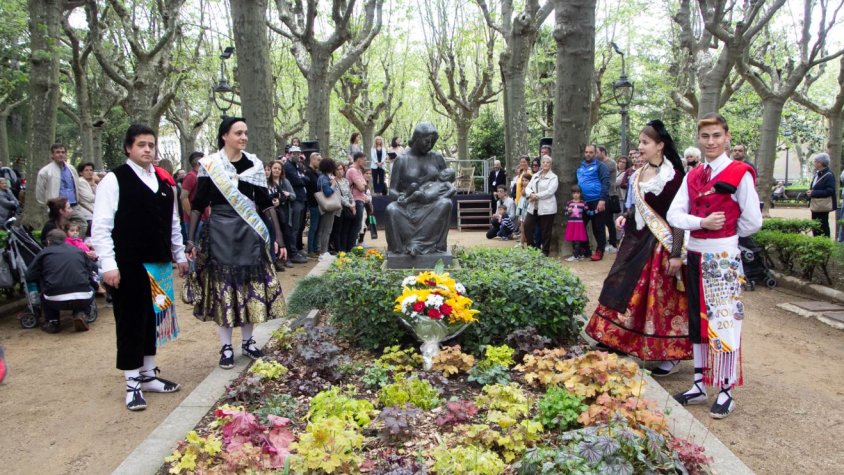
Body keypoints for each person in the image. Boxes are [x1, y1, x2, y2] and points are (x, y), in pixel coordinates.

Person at [667, 113, 762, 419]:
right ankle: (698, 383)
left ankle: (725, 389)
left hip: (721, 257)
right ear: (699, 138)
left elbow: (752, 222)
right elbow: (674, 215)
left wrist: (725, 235)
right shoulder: (693, 175)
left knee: (724, 321)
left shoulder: (740, 172)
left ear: (727, 137)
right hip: (694, 253)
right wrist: (702, 223)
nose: (711, 142)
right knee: (697, 318)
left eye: (716, 136)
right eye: (705, 136)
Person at [91, 124, 189, 411]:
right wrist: (108, 265)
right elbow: (101, 227)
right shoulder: (114, 180)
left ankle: (148, 374)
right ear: (128, 148)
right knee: (131, 321)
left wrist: (180, 255)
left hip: (158, 262)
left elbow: (173, 224)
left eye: (151, 144)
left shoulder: (164, 183)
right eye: (141, 144)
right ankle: (132, 381)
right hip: (127, 264)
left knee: (152, 320)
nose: (148, 149)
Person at [586, 120, 692, 376]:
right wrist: (627, 215)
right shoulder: (639, 173)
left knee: (658, 298)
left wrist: (676, 254)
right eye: (640, 142)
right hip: (635, 240)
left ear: (660, 146)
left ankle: (670, 353)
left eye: (645, 142)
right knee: (620, 286)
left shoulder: (674, 177)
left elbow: (677, 218)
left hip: (660, 245)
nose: (640, 146)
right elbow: (638, 207)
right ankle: (617, 338)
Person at [188, 117, 286, 372]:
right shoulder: (210, 165)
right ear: (224, 136)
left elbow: (265, 204)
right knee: (223, 290)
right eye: (238, 133)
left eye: (245, 132)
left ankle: (247, 342)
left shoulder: (253, 164)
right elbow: (198, 205)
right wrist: (190, 239)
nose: (243, 137)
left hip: (248, 233)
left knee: (249, 288)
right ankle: (226, 347)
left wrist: (279, 238)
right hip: (219, 232)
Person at [385, 123, 457, 256]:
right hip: (407, 204)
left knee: (445, 203)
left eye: (432, 143)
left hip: (431, 204)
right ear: (417, 138)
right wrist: (400, 197)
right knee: (391, 209)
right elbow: (392, 191)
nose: (429, 145)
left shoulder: (437, 158)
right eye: (427, 141)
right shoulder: (401, 160)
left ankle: (422, 245)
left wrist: (437, 196)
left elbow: (448, 182)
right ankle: (404, 248)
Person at [27, 229, 96, 334]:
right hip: (83, 296)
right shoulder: (78, 251)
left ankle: (53, 322)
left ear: (48, 241)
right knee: (89, 288)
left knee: (45, 291)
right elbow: (90, 271)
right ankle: (81, 313)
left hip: (54, 299)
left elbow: (29, 276)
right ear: (65, 240)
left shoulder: (43, 253)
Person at [35, 143, 87, 235]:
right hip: (58, 207)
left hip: (73, 205)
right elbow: (40, 192)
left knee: (82, 224)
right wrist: (50, 205)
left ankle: (76, 245)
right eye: (57, 152)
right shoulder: (45, 172)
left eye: (63, 152)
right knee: (59, 228)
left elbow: (76, 186)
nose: (61, 154)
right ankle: (62, 246)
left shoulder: (71, 169)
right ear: (52, 155)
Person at [577, 144, 611, 261]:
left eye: (591, 152)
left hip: (597, 201)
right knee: (580, 225)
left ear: (595, 153)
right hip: (583, 202)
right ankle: (585, 249)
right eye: (586, 152)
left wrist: (602, 200)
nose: (588, 154)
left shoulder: (601, 166)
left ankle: (600, 251)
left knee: (598, 228)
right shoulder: (580, 166)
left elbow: (606, 183)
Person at [523, 155, 559, 256]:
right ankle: (532, 249)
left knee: (545, 231)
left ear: (550, 164)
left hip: (547, 208)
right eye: (543, 162)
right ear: (541, 164)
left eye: (547, 162)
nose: (545, 164)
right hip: (533, 207)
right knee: (527, 226)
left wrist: (536, 196)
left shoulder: (553, 177)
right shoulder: (536, 175)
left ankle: (545, 252)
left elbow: (550, 191)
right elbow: (527, 187)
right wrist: (531, 194)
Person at [267, 160, 296, 268]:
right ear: (271, 169)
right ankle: (276, 259)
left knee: (286, 234)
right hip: (271, 213)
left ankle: (286, 258)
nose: (277, 170)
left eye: (279, 169)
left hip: (285, 212)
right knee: (274, 234)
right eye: (275, 168)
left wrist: (287, 196)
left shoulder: (285, 182)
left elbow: (294, 196)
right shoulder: (266, 182)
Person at [283, 146, 309, 261]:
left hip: (302, 199)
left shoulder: (298, 166)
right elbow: (298, 181)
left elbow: (306, 179)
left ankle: (296, 250)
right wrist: (303, 179)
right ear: (289, 154)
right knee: (293, 228)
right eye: (294, 153)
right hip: (295, 200)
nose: (296, 155)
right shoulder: (288, 166)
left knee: (299, 227)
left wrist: (303, 178)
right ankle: (292, 254)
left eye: (298, 153)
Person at [806, 153, 837, 238]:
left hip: (822, 205)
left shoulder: (829, 175)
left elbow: (830, 190)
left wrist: (814, 193)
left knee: (823, 226)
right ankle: (817, 242)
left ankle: (824, 244)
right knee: (815, 226)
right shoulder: (817, 174)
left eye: (815, 161)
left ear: (821, 163)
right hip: (815, 205)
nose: (814, 163)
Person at [597, 145, 619, 252]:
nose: (596, 155)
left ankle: (613, 243)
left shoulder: (610, 163)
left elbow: (601, 174)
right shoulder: (598, 163)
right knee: (601, 220)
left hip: (609, 195)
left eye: (597, 152)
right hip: (601, 195)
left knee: (609, 220)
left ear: (603, 152)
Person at [316, 158, 339, 259]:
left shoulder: (322, 177)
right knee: (327, 229)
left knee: (324, 229)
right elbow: (327, 192)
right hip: (328, 206)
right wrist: (333, 185)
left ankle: (323, 251)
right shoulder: (324, 178)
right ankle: (323, 252)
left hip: (324, 206)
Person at [346, 152, 368, 251]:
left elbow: (365, 186)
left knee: (358, 225)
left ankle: (352, 246)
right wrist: (362, 185)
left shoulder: (359, 171)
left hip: (361, 200)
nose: (365, 162)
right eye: (364, 160)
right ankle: (351, 247)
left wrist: (363, 185)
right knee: (356, 225)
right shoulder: (352, 171)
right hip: (355, 200)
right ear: (359, 160)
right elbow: (361, 187)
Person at [564, 185, 589, 261]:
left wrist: (596, 211)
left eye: (578, 193)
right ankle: (578, 254)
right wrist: (568, 211)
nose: (576, 194)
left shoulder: (583, 203)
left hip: (579, 224)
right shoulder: (569, 203)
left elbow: (588, 212)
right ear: (572, 194)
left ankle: (576, 256)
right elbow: (565, 214)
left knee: (577, 240)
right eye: (574, 193)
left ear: (580, 194)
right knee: (573, 240)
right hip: (571, 224)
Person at [304, 152, 322, 257]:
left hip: (319, 203)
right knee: (314, 227)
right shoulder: (308, 172)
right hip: (313, 203)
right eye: (318, 160)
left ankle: (315, 248)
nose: (319, 162)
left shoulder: (316, 173)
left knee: (318, 227)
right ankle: (310, 250)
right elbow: (314, 187)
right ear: (312, 160)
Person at [76, 162, 96, 237]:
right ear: (81, 172)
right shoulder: (81, 182)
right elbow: (91, 198)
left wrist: (93, 185)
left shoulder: (90, 181)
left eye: (91, 170)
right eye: (86, 170)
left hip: (93, 212)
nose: (89, 172)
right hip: (87, 214)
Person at [515, 172, 532, 247]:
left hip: (528, 211)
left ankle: (529, 244)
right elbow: (521, 203)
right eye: (523, 180)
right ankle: (521, 243)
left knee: (528, 229)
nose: (524, 182)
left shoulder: (530, 189)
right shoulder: (522, 189)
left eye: (526, 180)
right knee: (522, 228)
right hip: (523, 212)